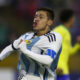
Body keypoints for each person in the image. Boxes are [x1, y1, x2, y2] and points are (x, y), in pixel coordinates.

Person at [0, 7, 62, 80]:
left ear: (49, 22)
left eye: (41, 17)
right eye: (35, 16)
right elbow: (10, 48)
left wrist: (26, 51)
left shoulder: (54, 37)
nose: (36, 19)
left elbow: (48, 60)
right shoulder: (26, 36)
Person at [53, 9, 80, 80]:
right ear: (71, 19)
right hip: (57, 70)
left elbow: (69, 52)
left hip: (63, 71)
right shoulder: (59, 30)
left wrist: (78, 44)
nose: (74, 20)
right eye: (74, 18)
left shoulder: (66, 32)